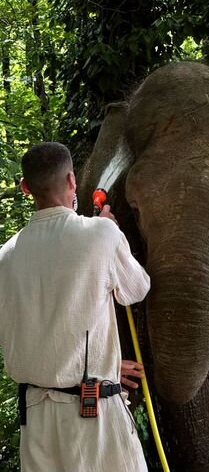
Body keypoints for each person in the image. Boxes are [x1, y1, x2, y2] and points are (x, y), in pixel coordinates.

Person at [0, 142, 150, 472]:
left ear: (26, 188)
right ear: (72, 180)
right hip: (93, 416)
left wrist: (102, 363)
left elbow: (38, 325)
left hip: (37, 423)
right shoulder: (102, 232)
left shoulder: (5, 256)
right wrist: (113, 232)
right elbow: (136, 290)